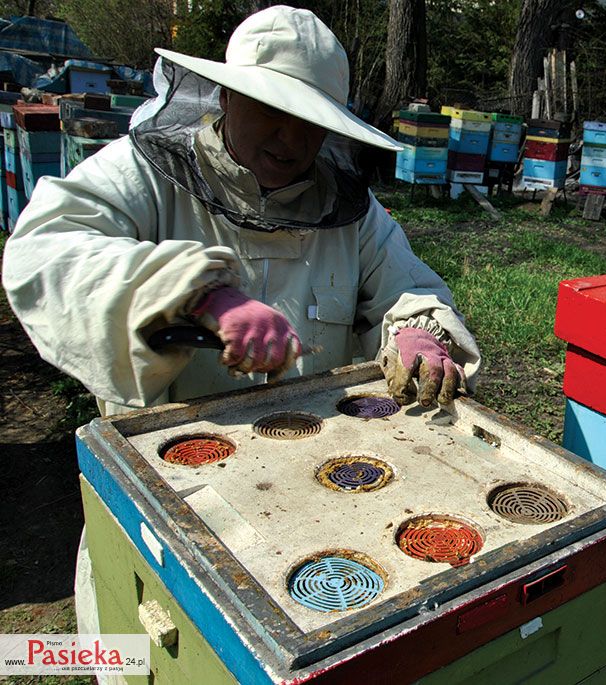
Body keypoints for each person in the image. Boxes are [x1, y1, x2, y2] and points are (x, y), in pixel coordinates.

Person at [1, 5, 480, 645]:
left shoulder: (353, 215)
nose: (291, 140)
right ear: (225, 95)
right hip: (174, 487)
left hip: (319, 487)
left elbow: (407, 286)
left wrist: (417, 329)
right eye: (271, 112)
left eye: (309, 122)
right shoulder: (141, 174)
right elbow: (45, 250)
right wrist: (197, 294)